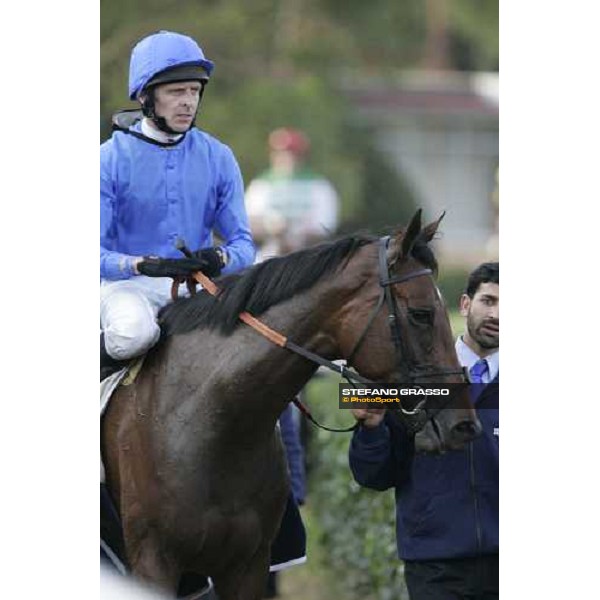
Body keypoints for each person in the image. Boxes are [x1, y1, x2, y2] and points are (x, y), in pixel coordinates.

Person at [100, 30, 255, 379]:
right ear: (145, 96)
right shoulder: (107, 160)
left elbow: (244, 246)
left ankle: (285, 434)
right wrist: (137, 264)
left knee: (261, 345)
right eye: (175, 92)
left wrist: (221, 258)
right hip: (126, 289)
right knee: (131, 334)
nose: (188, 102)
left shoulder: (219, 156)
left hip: (196, 289)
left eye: (194, 91)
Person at [349, 262, 499, 600]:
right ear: (464, 304)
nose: (497, 314)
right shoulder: (409, 381)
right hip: (435, 563)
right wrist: (371, 430)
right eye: (488, 301)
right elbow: (374, 476)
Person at [244, 127, 339, 260]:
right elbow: (248, 224)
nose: (285, 158)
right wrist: (270, 226)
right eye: (280, 153)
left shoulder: (319, 186)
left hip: (309, 258)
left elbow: (324, 228)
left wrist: (297, 236)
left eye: (291, 153)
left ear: (301, 156)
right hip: (267, 259)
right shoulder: (261, 185)